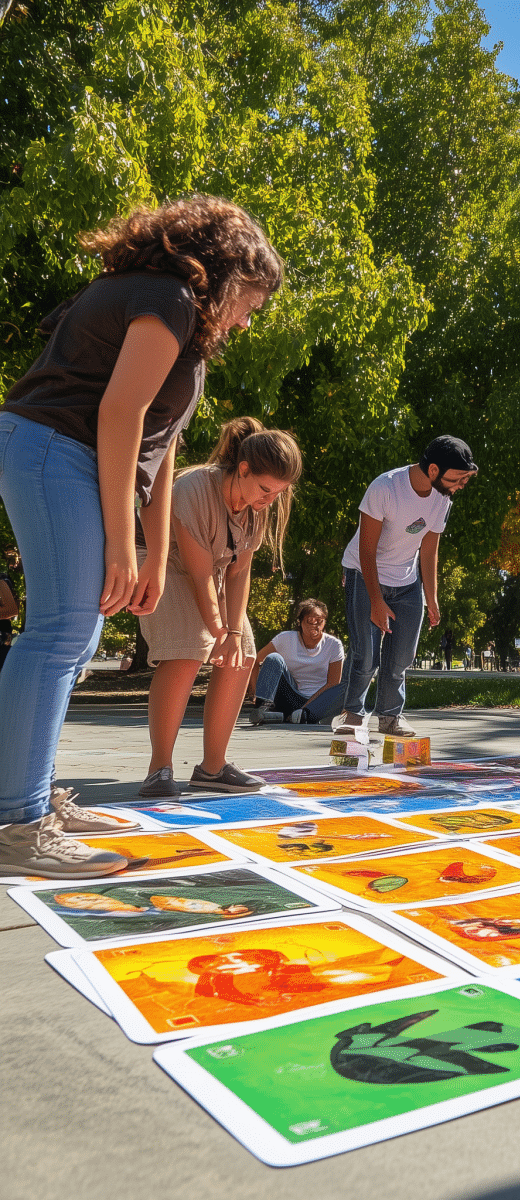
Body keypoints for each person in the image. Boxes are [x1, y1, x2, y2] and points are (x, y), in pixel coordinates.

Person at [0, 196, 281, 877]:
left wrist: (151, 554)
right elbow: (119, 412)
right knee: (61, 631)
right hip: (55, 449)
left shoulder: (184, 322)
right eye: (252, 301)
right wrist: (124, 545)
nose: (248, 319)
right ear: (228, 270)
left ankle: (30, 797)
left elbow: (161, 446)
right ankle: (17, 823)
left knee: (78, 636)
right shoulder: (168, 297)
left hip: (74, 458)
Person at [137, 417, 301, 797]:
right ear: (243, 469)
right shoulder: (193, 488)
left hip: (210, 566)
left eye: (278, 493)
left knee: (243, 654)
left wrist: (234, 633)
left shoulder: (258, 507)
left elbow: (239, 572)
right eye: (265, 489)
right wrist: (219, 631)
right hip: (163, 561)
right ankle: (159, 768)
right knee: (187, 650)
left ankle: (213, 767)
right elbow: (198, 576)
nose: (269, 500)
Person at [332, 436, 477, 738]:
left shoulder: (442, 499)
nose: (461, 485)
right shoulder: (385, 488)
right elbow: (366, 550)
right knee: (366, 655)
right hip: (364, 573)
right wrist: (376, 600)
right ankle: (353, 715)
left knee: (401, 657)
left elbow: (429, 550)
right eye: (457, 478)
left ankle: (390, 717)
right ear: (434, 470)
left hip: (407, 582)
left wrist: (431, 597)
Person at [247, 597, 345, 725]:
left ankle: (300, 716)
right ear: (300, 622)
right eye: (310, 621)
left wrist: (305, 707)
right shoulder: (285, 638)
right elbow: (256, 660)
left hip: (318, 702)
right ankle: (263, 709)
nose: (315, 625)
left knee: (348, 686)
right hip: (290, 696)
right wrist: (254, 692)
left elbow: (333, 683)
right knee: (273, 658)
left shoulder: (334, 645)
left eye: (319, 621)